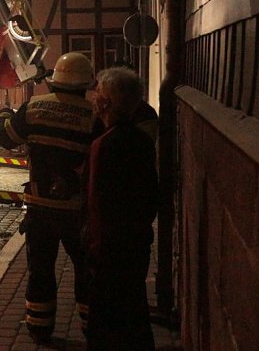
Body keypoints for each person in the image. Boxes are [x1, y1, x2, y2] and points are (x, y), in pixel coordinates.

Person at [0, 52, 102, 344]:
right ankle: (92, 328)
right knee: (85, 270)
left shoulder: (33, 108)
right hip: (78, 211)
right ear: (85, 85)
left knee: (41, 270)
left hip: (40, 210)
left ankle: (40, 329)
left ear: (54, 84)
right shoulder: (94, 116)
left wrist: (4, 112)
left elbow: (6, 137)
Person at [83, 67, 158, 350]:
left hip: (108, 254)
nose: (94, 100)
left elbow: (98, 205)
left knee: (104, 328)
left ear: (105, 104)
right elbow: (151, 195)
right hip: (136, 246)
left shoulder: (103, 146)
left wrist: (94, 249)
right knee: (135, 319)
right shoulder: (142, 142)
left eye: (99, 95)